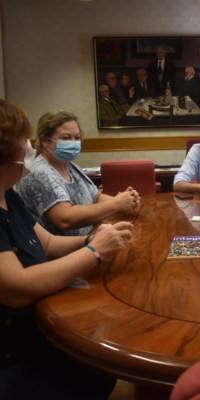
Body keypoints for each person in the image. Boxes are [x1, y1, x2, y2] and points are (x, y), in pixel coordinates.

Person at [0, 99, 133, 399]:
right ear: (6, 149)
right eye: (25, 140)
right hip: (12, 352)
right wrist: (94, 253)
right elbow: (15, 289)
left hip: (36, 330)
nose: (30, 146)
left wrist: (92, 241)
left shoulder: (9, 195)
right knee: (94, 373)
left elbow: (47, 242)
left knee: (100, 374)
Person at [18, 110, 140, 236]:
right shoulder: (40, 173)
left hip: (91, 241)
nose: (73, 142)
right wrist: (116, 204)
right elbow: (66, 219)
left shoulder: (71, 167)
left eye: (77, 138)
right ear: (44, 140)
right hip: (63, 253)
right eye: (66, 138)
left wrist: (125, 201)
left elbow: (97, 197)